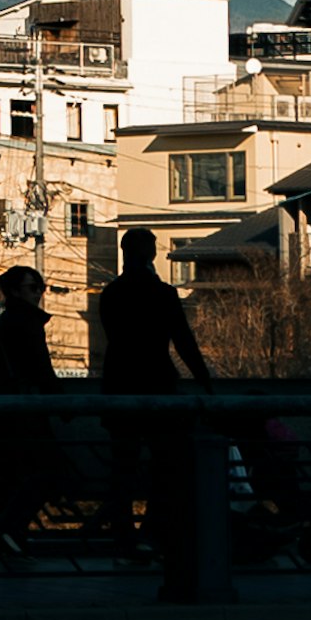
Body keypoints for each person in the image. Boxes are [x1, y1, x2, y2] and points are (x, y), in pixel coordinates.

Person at [91, 222, 209, 553]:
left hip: (120, 384)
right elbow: (183, 341)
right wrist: (204, 380)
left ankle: (125, 536)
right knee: (166, 464)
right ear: (152, 254)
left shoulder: (112, 294)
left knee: (123, 466)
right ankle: (154, 532)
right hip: (158, 384)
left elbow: (115, 338)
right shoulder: (163, 294)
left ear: (124, 253)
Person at [0, 259, 60, 561]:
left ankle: (10, 533)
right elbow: (41, 367)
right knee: (46, 472)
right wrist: (60, 401)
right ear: (15, 291)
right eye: (33, 287)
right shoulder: (26, 323)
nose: (38, 293)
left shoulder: (1, 323)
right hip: (26, 413)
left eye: (41, 287)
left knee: (12, 478)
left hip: (4, 413)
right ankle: (10, 531)